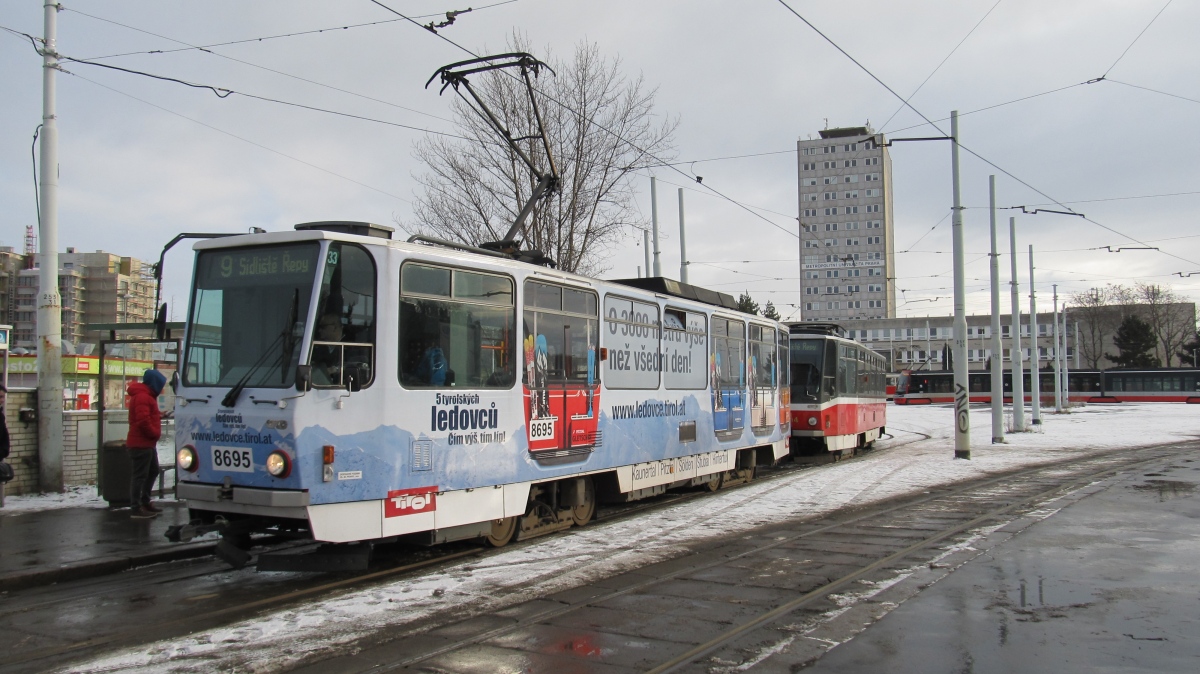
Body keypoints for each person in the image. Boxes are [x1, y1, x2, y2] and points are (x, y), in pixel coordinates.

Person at [127, 369, 166, 519]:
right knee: (140, 476)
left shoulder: (146, 396)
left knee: (153, 471)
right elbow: (143, 420)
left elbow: (147, 416)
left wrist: (159, 416)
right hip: (141, 443)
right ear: (154, 383)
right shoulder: (144, 397)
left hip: (146, 443)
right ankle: (136, 507)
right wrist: (154, 433)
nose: (161, 389)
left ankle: (144, 502)